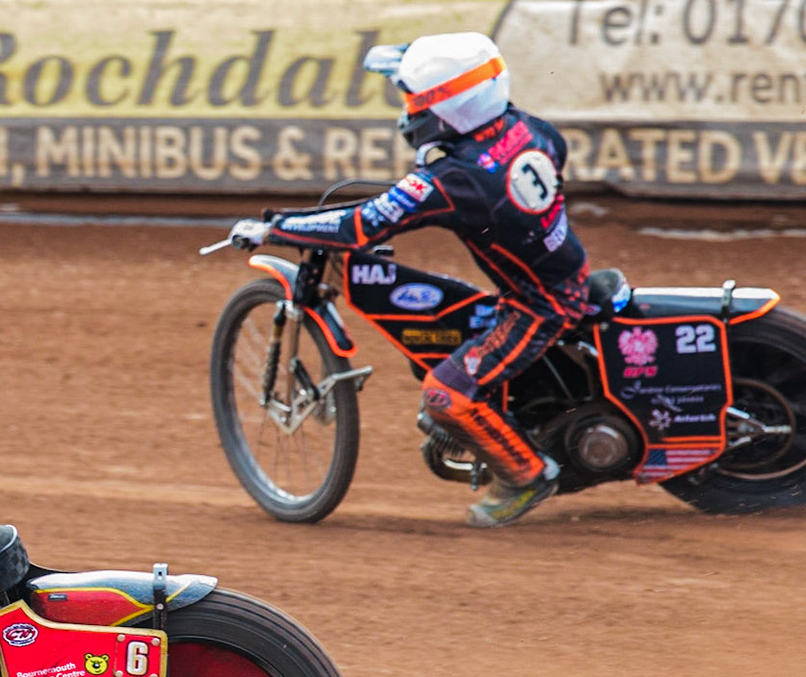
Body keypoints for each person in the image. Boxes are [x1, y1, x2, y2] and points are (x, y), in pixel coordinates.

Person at [232, 31, 585, 528]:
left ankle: (528, 475)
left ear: (448, 109)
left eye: (413, 100)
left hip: (540, 303)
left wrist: (274, 226)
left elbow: (361, 225)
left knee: (447, 394)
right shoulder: (531, 130)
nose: (407, 111)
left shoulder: (456, 180)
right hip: (558, 275)